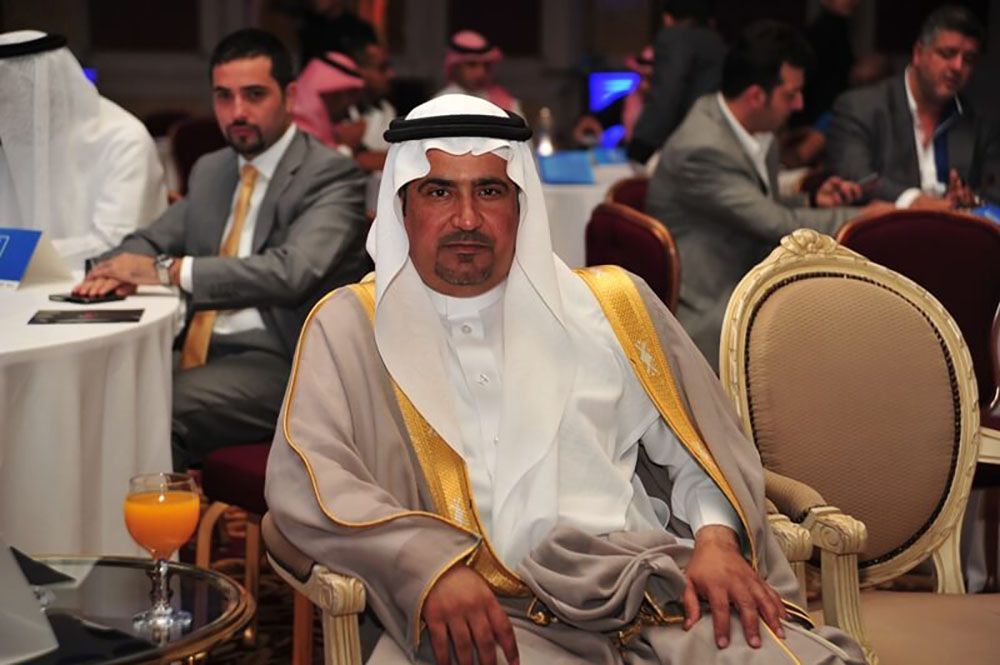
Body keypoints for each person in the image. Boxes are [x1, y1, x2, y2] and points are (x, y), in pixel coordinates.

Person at [265, 93, 866, 664]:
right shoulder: (350, 327)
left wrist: (714, 537)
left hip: (654, 590)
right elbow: (311, 480)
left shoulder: (610, 305)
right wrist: (428, 565)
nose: (467, 218)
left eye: (491, 190)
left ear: (521, 203)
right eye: (439, 191)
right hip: (488, 617)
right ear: (402, 207)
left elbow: (700, 454)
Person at [74, 29, 371, 469]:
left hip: (289, 363)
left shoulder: (331, 175)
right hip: (199, 345)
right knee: (95, 387)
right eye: (223, 97)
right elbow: (152, 239)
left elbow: (290, 273)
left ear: (289, 96)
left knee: (153, 406)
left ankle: (153, 537)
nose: (237, 113)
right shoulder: (213, 170)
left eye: (254, 95)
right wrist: (113, 267)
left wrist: (165, 271)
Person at [646, 21, 888, 370]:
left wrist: (812, 202)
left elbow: (758, 204)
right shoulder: (702, 147)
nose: (799, 104)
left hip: (748, 279)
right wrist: (867, 217)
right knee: (847, 328)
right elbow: (777, 224)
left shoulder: (749, 127)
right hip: (710, 311)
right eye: (791, 95)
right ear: (756, 96)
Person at [0, 30, 166, 270]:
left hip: (107, 291)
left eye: (6, 96)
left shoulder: (124, 140)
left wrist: (11, 256)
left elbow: (114, 245)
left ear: (39, 89)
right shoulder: (10, 144)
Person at [827, 5, 999, 208]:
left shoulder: (980, 124)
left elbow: (994, 192)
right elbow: (858, 177)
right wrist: (916, 201)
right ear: (918, 53)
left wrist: (972, 201)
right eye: (947, 54)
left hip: (956, 234)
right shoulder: (860, 107)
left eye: (968, 60)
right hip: (880, 234)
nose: (958, 67)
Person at [626, 0, 726, 167]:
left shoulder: (676, 38)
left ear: (667, 18)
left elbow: (667, 94)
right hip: (719, 142)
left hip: (686, 147)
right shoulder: (717, 42)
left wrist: (641, 147)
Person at [572, 45, 654, 146]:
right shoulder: (628, 100)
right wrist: (589, 121)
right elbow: (602, 117)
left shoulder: (669, 105)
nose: (643, 84)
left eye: (650, 79)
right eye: (641, 77)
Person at [291, 51, 366, 153]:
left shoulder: (325, 119)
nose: (351, 104)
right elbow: (313, 165)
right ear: (334, 92)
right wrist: (346, 147)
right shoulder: (299, 117)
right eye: (350, 94)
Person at [436, 30, 523, 117]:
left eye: (486, 65)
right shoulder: (440, 104)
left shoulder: (504, 101)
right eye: (472, 64)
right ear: (455, 67)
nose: (480, 72)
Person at [348, 39, 396, 171]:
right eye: (382, 68)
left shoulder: (387, 109)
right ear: (359, 71)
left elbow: (392, 159)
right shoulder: (339, 110)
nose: (391, 74)